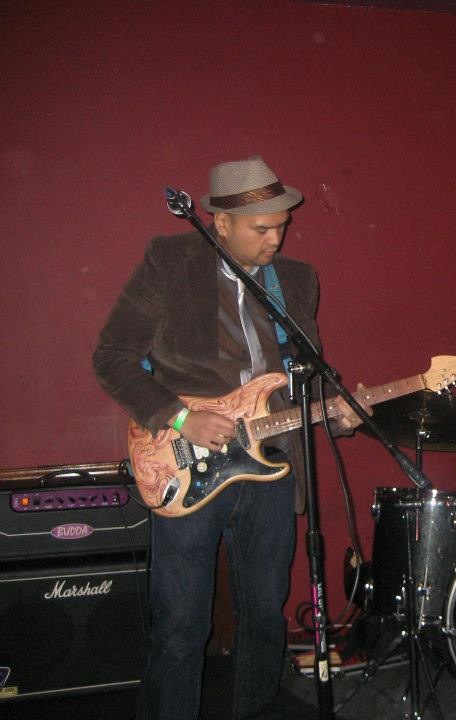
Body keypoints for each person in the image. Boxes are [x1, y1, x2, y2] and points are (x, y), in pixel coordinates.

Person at [93, 156, 365, 720]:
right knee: (181, 623)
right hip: (185, 461)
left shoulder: (296, 279)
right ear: (219, 222)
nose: (275, 239)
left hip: (270, 462)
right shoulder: (169, 262)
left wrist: (338, 411)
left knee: (264, 616)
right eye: (261, 229)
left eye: (281, 226)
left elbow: (302, 373)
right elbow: (112, 357)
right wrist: (179, 418)